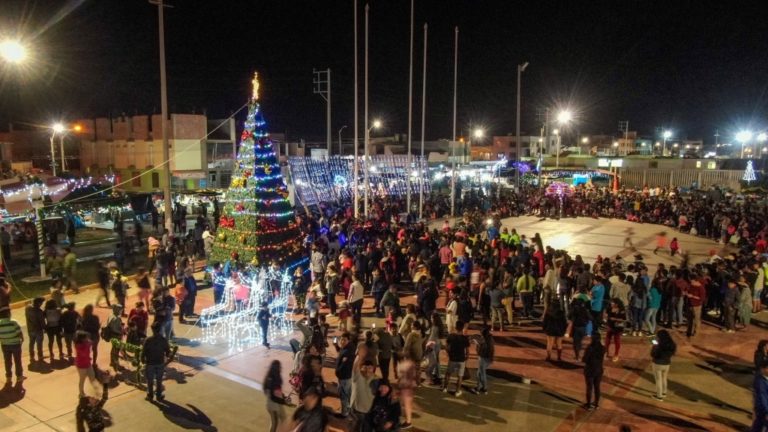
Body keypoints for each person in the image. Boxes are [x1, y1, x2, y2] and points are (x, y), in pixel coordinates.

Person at [141, 321, 171, 401]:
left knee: (150, 381)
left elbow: (143, 352)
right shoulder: (163, 340)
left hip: (150, 363)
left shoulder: (148, 340)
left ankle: (150, 396)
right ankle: (158, 396)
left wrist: (142, 360)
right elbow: (168, 352)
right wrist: (168, 357)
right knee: (159, 380)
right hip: (160, 363)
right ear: (160, 329)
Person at [443, 320, 470, 397]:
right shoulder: (465, 338)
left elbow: (446, 347)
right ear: (462, 328)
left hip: (452, 358)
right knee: (460, 376)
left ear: (456, 327)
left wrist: (448, 353)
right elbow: (467, 351)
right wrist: (466, 358)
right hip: (461, 359)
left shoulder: (451, 336)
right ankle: (457, 391)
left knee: (448, 374)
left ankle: (445, 388)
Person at [350, 355, 377, 430]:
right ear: (360, 368)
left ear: (374, 369)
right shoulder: (357, 376)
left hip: (369, 413)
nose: (367, 370)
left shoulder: (377, 380)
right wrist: (359, 354)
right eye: (365, 367)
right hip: (356, 411)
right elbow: (355, 365)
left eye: (370, 368)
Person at [651, 329, 677, 401]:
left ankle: (659, 396)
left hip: (658, 363)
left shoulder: (659, 345)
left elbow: (653, 354)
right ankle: (664, 392)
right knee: (664, 378)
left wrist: (654, 346)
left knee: (658, 380)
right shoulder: (672, 344)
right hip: (667, 363)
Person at [334, 331, 354, 418]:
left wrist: (337, 372)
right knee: (348, 394)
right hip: (346, 377)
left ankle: (344, 413)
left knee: (344, 396)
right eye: (341, 339)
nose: (342, 341)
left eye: (344, 340)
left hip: (344, 378)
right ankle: (349, 409)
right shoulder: (347, 348)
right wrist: (336, 346)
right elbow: (341, 351)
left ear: (348, 341)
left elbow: (343, 366)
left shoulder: (348, 352)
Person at [582, 335, 605, 410]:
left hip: (590, 370)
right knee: (597, 387)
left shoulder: (590, 348)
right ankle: (596, 404)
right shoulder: (602, 348)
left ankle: (588, 405)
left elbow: (584, 359)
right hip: (599, 369)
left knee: (589, 387)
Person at [264, 360, 288, 432]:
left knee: (283, 418)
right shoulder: (272, 380)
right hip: (273, 405)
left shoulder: (275, 377)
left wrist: (283, 397)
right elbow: (273, 397)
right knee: (274, 423)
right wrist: (283, 401)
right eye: (280, 367)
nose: (281, 368)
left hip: (277, 402)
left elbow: (277, 392)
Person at [0, 310, 24, 382]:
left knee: (7, 361)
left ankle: (8, 377)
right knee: (17, 361)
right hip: (15, 344)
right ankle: (19, 376)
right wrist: (21, 340)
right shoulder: (13, 322)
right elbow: (19, 333)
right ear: (8, 314)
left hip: (5, 345)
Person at [74, 331, 98, 398]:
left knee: (92, 377)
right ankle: (81, 394)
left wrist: (90, 343)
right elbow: (83, 354)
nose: (87, 339)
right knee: (82, 379)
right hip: (81, 365)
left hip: (87, 363)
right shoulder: (78, 345)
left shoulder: (86, 342)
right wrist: (88, 344)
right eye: (85, 338)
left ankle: (96, 390)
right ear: (81, 339)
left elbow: (91, 342)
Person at [472, 325, 495, 395]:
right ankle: (479, 387)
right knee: (479, 373)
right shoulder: (490, 339)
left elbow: (481, 350)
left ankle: (484, 388)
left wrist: (477, 344)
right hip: (488, 358)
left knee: (481, 373)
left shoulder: (483, 340)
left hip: (483, 358)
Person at [425, 313, 445, 386]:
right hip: (437, 345)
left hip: (432, 345)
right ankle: (438, 376)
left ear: (435, 319)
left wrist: (428, 346)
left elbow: (431, 338)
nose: (431, 319)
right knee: (437, 361)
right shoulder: (439, 327)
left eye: (432, 318)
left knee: (433, 361)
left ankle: (433, 377)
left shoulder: (434, 327)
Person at [24, 297, 45, 362]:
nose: (41, 304)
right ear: (39, 303)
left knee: (31, 343)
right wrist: (45, 328)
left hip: (30, 329)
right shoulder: (39, 311)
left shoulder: (27, 308)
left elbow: (28, 304)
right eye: (41, 303)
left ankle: (32, 357)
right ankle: (40, 356)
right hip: (38, 330)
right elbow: (42, 323)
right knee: (39, 344)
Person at [106, 304, 124, 371]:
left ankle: (112, 362)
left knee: (113, 349)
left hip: (112, 336)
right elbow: (114, 329)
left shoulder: (111, 316)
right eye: (120, 310)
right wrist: (121, 332)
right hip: (116, 335)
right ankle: (117, 365)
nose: (121, 311)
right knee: (116, 351)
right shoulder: (116, 318)